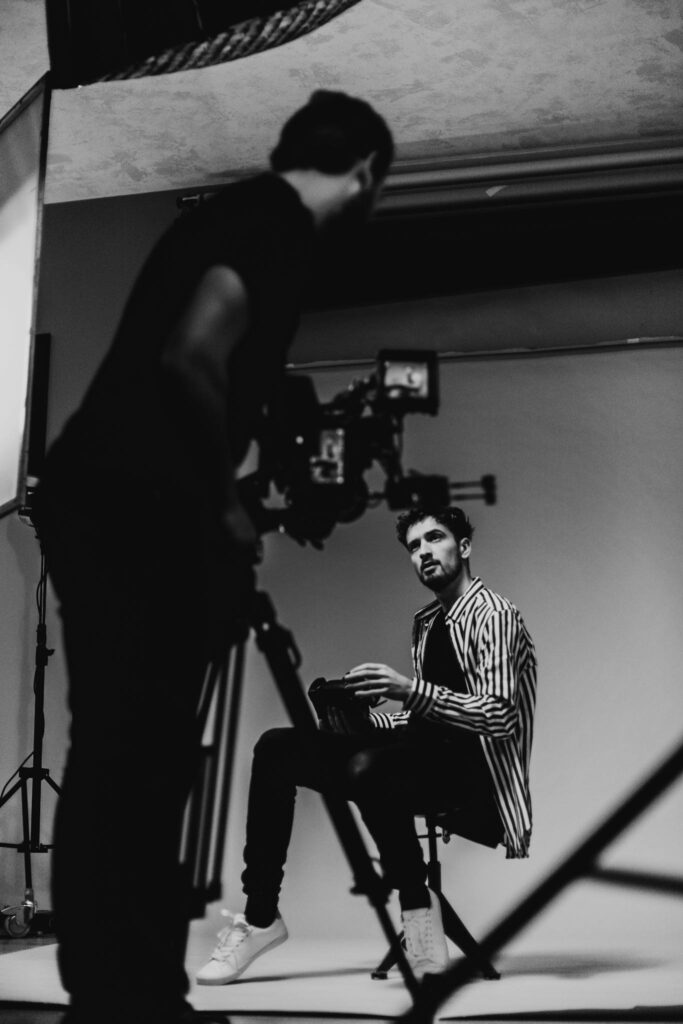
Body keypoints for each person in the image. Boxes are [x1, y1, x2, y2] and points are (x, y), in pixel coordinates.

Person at [32, 91, 394, 1024]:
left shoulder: (238, 217)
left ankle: (126, 989)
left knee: (129, 752)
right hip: (129, 513)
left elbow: (201, 377)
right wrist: (227, 512)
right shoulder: (273, 227)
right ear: (363, 174)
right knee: (132, 755)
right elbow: (192, 359)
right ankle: (121, 996)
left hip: (107, 501)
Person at [196, 505, 537, 985]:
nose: (423, 553)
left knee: (369, 769)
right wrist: (367, 717)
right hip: (408, 761)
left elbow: (498, 715)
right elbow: (425, 720)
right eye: (414, 546)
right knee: (277, 748)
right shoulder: (428, 622)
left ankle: (417, 905)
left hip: (472, 779)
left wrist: (407, 688)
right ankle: (260, 919)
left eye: (435, 539)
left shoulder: (494, 615)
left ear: (464, 547)